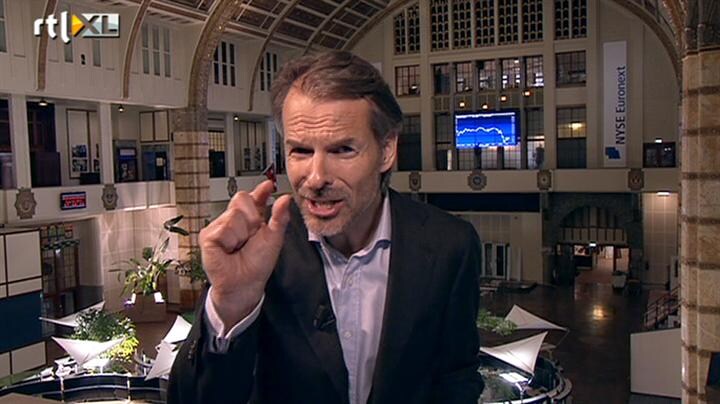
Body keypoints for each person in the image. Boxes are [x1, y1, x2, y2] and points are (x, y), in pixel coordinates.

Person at [168, 51, 483, 404]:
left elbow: (457, 378)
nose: (316, 178)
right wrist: (231, 305)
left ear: (386, 150)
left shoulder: (449, 246)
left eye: (342, 149)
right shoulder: (255, 249)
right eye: (301, 151)